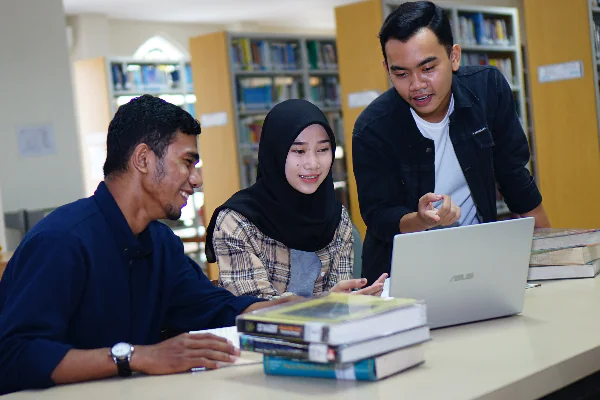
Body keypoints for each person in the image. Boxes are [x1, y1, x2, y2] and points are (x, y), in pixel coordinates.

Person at [0, 95, 300, 395]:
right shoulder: (61, 241)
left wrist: (286, 309)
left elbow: (210, 309)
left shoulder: (161, 244)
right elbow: (15, 355)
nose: (196, 179)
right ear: (143, 159)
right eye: (187, 162)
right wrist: (138, 356)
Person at [352, 1, 551, 283]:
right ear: (387, 68)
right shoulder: (372, 128)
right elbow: (380, 215)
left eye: (428, 68)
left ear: (454, 57)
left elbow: (514, 176)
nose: (417, 84)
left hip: (479, 259)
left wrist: (549, 257)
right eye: (401, 73)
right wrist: (421, 219)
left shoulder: (488, 90)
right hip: (401, 274)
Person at [205, 99, 387, 299]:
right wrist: (325, 302)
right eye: (299, 151)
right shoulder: (236, 222)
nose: (312, 163)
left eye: (323, 150)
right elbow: (253, 309)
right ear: (275, 153)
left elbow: (340, 298)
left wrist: (349, 303)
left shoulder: (336, 217)